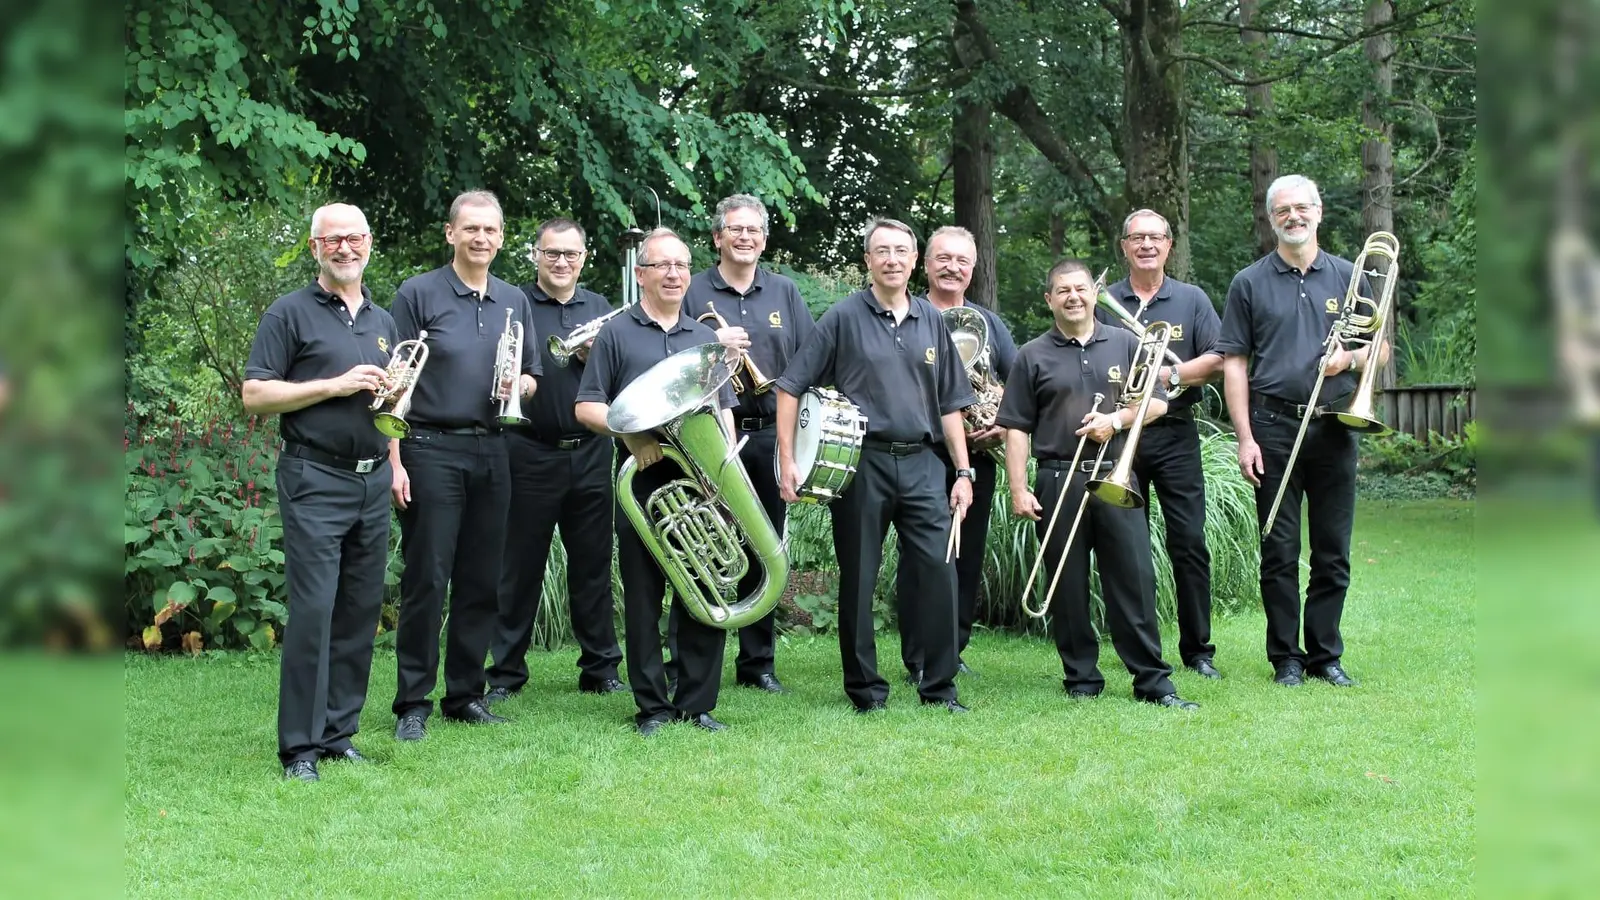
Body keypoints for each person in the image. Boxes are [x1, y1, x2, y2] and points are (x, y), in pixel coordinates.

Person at [775, 217, 976, 715]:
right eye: (882, 251)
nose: (892, 260)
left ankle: (940, 688)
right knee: (860, 577)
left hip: (925, 464)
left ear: (914, 260)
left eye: (901, 251)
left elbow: (951, 403)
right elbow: (790, 386)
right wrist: (787, 458)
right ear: (867, 260)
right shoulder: (843, 317)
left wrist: (963, 472)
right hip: (863, 465)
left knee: (940, 573)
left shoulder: (931, 319)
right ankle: (866, 691)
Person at [996, 257, 1197, 710]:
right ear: (1049, 299)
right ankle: (1081, 678)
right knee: (1065, 585)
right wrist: (1018, 489)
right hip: (1057, 477)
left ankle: (1153, 681)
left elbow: (1158, 404)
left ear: (1093, 293)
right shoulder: (1032, 355)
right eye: (1063, 290)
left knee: (1134, 579)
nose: (1073, 297)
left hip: (1114, 474)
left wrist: (1116, 420)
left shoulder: (1126, 342)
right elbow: (1016, 428)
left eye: (1081, 288)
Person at [243, 203, 398, 781]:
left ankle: (338, 734)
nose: (344, 248)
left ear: (369, 243)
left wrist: (396, 462)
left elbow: (391, 405)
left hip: (373, 477)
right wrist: (334, 386)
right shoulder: (288, 313)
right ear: (315, 248)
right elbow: (255, 395)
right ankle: (300, 750)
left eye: (354, 238)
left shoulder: (383, 321)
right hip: (315, 477)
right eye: (332, 240)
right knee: (313, 611)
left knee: (360, 610)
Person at [1217, 174, 1388, 688]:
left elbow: (1379, 350)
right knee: (1279, 550)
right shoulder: (1248, 282)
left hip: (1335, 426)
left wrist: (1347, 360)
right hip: (1272, 427)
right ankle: (1286, 658)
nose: (1293, 216)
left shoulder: (1350, 276)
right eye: (1283, 210)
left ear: (1319, 212)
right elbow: (1234, 364)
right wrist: (1244, 437)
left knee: (1333, 551)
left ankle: (1325, 655)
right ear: (1272, 219)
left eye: (1302, 207)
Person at [574, 227, 742, 735]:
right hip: (644, 479)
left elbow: (723, 408)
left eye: (682, 265)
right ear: (641, 274)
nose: (674, 274)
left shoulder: (704, 338)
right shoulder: (617, 333)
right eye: (662, 265)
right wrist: (632, 435)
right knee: (644, 597)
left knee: (707, 585)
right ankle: (651, 706)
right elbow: (587, 406)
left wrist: (726, 471)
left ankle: (697, 702)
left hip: (702, 477)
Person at [389, 190, 541, 740]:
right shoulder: (418, 293)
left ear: (501, 238)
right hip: (429, 447)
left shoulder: (513, 299)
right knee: (428, 578)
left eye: (490, 229)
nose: (481, 238)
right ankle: (412, 702)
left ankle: (465, 695)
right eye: (471, 228)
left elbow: (532, 375)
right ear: (451, 233)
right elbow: (395, 383)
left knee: (482, 579)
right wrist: (395, 461)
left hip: (494, 448)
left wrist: (518, 385)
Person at [484, 218, 625, 705]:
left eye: (571, 254)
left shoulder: (600, 308)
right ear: (536, 255)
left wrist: (594, 359)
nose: (561, 262)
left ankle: (600, 669)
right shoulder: (515, 304)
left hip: (590, 451)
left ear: (583, 258)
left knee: (593, 565)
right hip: (529, 450)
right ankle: (505, 673)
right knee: (519, 568)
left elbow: (620, 380)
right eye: (552, 253)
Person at [681, 194, 816, 694]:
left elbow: (807, 360)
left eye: (753, 230)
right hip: (708, 435)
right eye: (734, 229)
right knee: (704, 546)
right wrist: (712, 348)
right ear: (717, 237)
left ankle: (758, 662)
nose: (744, 237)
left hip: (768, 435)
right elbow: (670, 355)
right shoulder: (692, 289)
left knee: (764, 544)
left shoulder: (784, 292)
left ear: (763, 239)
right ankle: (692, 657)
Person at [1095, 209, 1225, 678]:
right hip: (1119, 434)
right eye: (1137, 238)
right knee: (1127, 549)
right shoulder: (1104, 300)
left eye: (1155, 237)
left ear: (1169, 245)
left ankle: (1198, 650)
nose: (1146, 245)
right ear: (1124, 246)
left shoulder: (1191, 299)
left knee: (1188, 542)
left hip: (1174, 432)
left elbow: (1218, 359)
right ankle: (1140, 648)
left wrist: (1168, 374)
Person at [894, 225, 1017, 685]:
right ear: (925, 264)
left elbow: (1018, 380)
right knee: (921, 557)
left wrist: (1004, 421)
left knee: (966, 555)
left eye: (962, 260)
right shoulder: (908, 315)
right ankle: (918, 655)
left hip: (977, 456)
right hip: (922, 454)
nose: (953, 268)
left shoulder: (989, 323)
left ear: (974, 268)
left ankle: (953, 648)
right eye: (943, 258)